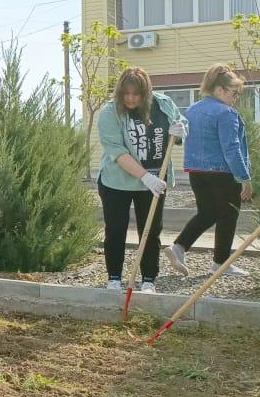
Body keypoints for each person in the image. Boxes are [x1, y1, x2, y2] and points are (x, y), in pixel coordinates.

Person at [96, 67, 188, 293]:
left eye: (136, 94)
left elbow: (180, 123)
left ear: (146, 93)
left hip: (155, 179)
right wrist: (145, 177)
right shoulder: (110, 112)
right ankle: (114, 278)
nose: (130, 98)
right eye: (126, 93)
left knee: (150, 231)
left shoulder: (163, 104)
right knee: (115, 229)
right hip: (117, 181)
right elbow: (118, 152)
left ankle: (148, 280)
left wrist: (181, 131)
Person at [166, 64, 253, 277]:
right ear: (220, 89)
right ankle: (221, 264)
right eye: (234, 93)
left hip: (196, 172)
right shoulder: (226, 113)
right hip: (223, 173)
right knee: (228, 216)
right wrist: (244, 178)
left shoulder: (192, 110)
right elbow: (231, 148)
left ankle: (179, 247)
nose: (235, 98)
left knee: (208, 213)